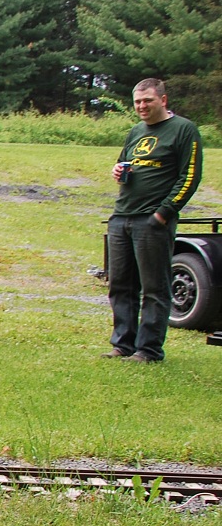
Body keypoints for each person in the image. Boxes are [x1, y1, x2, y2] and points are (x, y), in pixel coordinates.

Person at [104, 78, 204, 363]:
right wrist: (117, 170)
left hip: (152, 220)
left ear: (163, 100)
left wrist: (163, 213)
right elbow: (126, 162)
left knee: (154, 287)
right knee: (121, 285)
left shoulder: (184, 130)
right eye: (137, 102)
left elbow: (190, 177)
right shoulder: (136, 131)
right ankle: (122, 344)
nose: (142, 106)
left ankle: (148, 350)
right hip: (122, 215)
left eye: (147, 100)